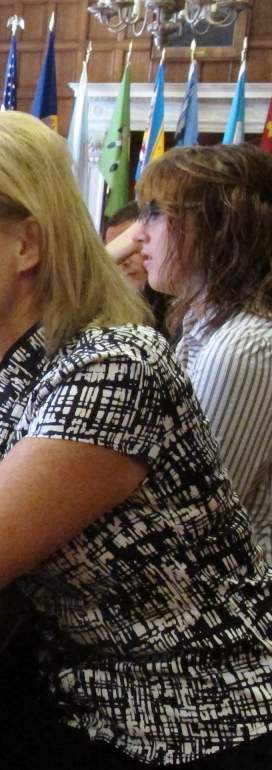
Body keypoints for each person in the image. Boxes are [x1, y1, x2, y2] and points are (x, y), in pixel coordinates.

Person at [0, 110, 272, 768]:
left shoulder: (111, 368)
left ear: (27, 246)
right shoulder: (32, 352)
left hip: (182, 713)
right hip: (94, 676)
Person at [134, 144, 272, 562]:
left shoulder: (242, 346)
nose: (139, 233)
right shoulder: (205, 325)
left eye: (156, 214)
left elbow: (185, 525)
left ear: (220, 227)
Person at [102, 201, 168, 335]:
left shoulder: (170, 304)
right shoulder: (109, 306)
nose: (124, 262)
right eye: (119, 256)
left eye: (134, 249)